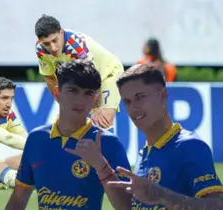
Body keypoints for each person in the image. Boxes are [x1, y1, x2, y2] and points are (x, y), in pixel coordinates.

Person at [74, 64, 223, 209]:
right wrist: (101, 166)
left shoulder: (190, 146)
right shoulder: (145, 153)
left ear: (163, 96)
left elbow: (218, 205)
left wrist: (161, 195)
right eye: (127, 101)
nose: (133, 107)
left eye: (140, 97)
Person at [5, 59, 131, 210]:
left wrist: (100, 165)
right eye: (73, 91)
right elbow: (18, 200)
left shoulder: (108, 143)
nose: (80, 99)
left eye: (88, 93)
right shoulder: (36, 139)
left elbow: (129, 206)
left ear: (95, 100)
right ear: (57, 94)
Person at [34, 15, 124, 129]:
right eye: (47, 44)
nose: (53, 48)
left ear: (61, 32)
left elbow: (91, 77)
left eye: (55, 40)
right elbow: (50, 78)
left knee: (103, 119)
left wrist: (94, 107)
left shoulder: (76, 46)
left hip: (108, 72)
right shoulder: (40, 49)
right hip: (83, 79)